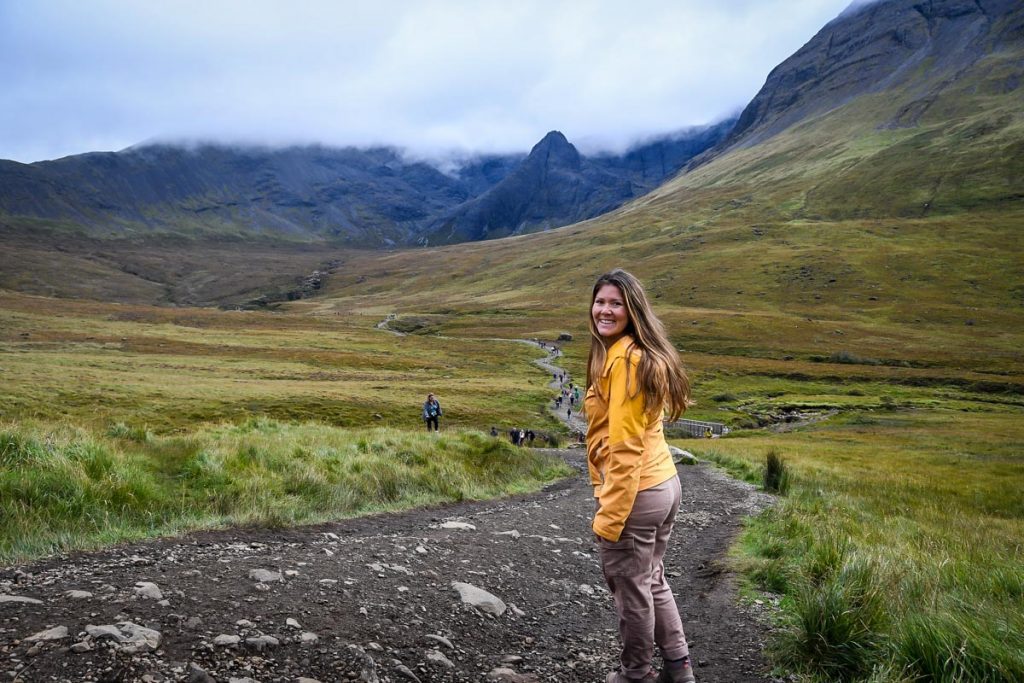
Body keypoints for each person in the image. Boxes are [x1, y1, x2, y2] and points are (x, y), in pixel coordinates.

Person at [585, 269, 695, 683]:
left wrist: (609, 517)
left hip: (638, 493)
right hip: (663, 484)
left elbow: (626, 448)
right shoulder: (630, 353)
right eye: (600, 301)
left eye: (616, 303)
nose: (605, 310)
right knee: (651, 579)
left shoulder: (626, 362)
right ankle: (678, 668)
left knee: (632, 592)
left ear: (633, 310)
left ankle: (636, 675)